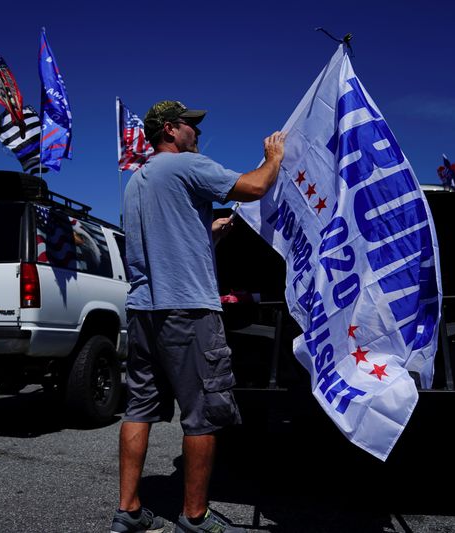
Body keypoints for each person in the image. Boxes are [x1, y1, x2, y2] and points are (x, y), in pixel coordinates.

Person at [110, 100, 285, 533]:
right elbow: (254, 187)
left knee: (138, 410)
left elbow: (160, 237)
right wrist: (273, 158)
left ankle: (128, 511)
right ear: (170, 130)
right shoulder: (187, 165)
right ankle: (195, 517)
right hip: (187, 309)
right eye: (191, 125)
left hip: (143, 311)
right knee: (203, 413)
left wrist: (210, 232)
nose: (197, 133)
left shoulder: (138, 180)